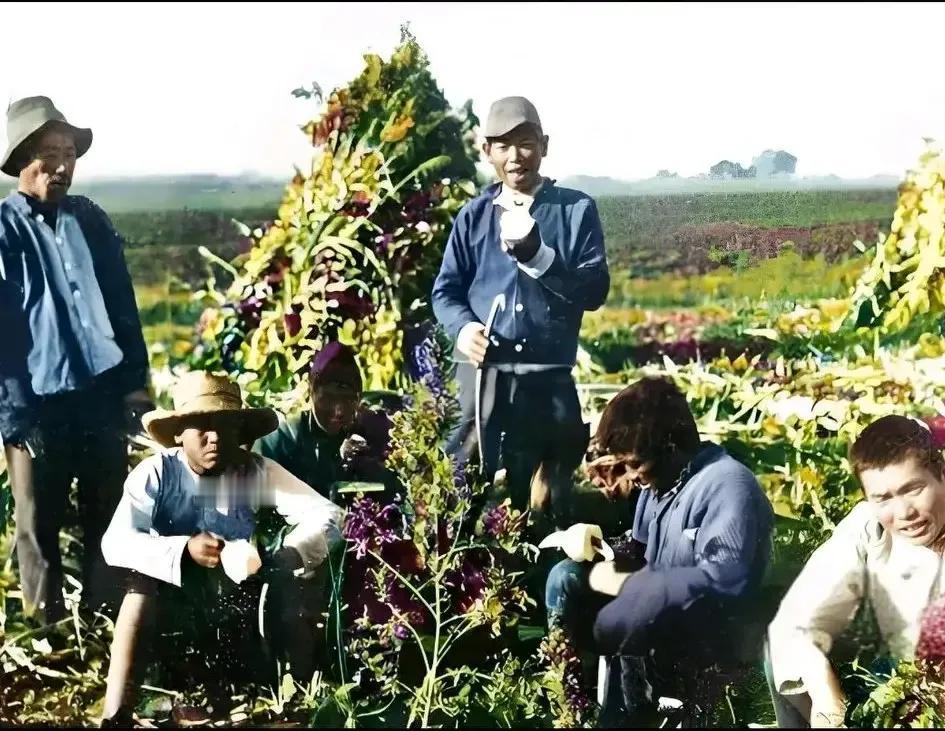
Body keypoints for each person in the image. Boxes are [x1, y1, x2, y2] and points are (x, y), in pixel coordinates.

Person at [98, 371, 344, 727]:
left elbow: (329, 516)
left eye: (226, 427)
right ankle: (115, 713)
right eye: (202, 427)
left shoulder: (254, 472)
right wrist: (183, 549)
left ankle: (297, 700)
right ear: (179, 434)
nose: (215, 438)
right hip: (169, 606)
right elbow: (116, 542)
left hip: (232, 606)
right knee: (138, 592)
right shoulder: (158, 474)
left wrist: (291, 552)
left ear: (240, 433)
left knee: (289, 588)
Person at [0, 96, 152, 623]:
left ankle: (103, 619)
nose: (63, 166)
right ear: (23, 157)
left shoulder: (89, 219)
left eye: (70, 153)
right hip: (38, 402)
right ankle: (50, 631)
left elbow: (123, 305)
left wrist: (135, 384)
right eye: (50, 152)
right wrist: (16, 416)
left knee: (105, 509)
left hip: (100, 395)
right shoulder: (5, 230)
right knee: (37, 523)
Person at [544, 377, 773, 724]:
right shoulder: (660, 485)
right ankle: (571, 698)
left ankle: (629, 713)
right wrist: (601, 551)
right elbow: (639, 551)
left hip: (710, 627)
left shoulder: (728, 485)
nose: (632, 476)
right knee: (566, 577)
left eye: (635, 463)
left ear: (670, 446)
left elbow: (725, 583)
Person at [431, 96, 609, 531]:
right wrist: (464, 327)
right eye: (502, 145)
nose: (515, 156)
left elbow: (594, 290)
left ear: (544, 145)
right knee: (458, 490)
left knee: (545, 503)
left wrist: (541, 258)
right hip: (481, 379)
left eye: (525, 142)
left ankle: (539, 584)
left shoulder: (575, 211)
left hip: (546, 379)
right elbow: (446, 291)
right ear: (486, 151)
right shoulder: (472, 218)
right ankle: (450, 581)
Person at [767, 415, 945, 728]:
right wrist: (826, 694)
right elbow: (798, 613)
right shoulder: (869, 525)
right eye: (883, 498)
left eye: (914, 489)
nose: (904, 513)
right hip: (900, 665)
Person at [254, 341, 399, 501]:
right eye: (329, 399)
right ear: (312, 392)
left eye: (347, 400)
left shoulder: (370, 431)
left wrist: (367, 466)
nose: (339, 411)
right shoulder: (281, 441)